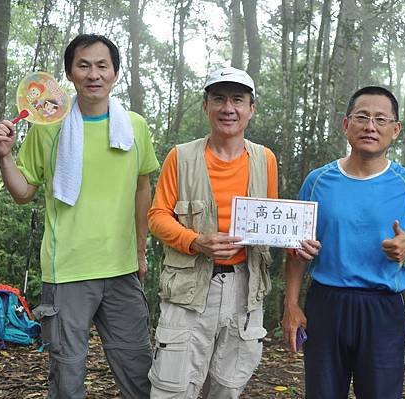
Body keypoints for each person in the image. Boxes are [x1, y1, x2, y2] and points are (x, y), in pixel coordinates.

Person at [0, 34, 159, 398]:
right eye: (84, 65)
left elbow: (142, 188)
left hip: (121, 271)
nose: (93, 74)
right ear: (70, 73)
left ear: (115, 73)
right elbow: (23, 193)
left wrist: (141, 251)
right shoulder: (48, 129)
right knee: (66, 380)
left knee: (139, 373)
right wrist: (5, 156)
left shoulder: (135, 127)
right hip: (66, 272)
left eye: (102, 65)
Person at [281, 86, 405, 399]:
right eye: (362, 117)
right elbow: (296, 249)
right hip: (327, 303)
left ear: (395, 130)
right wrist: (291, 304)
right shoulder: (317, 181)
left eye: (381, 120)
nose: (370, 126)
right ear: (346, 125)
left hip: (383, 308)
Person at [147, 66, 278, 398]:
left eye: (238, 99)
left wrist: (298, 243)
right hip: (190, 286)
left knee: (228, 385)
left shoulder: (265, 160)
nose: (228, 108)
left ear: (252, 108)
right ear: (206, 106)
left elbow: (274, 221)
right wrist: (196, 241)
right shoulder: (182, 156)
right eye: (219, 99)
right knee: (172, 386)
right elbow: (157, 216)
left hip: (244, 286)